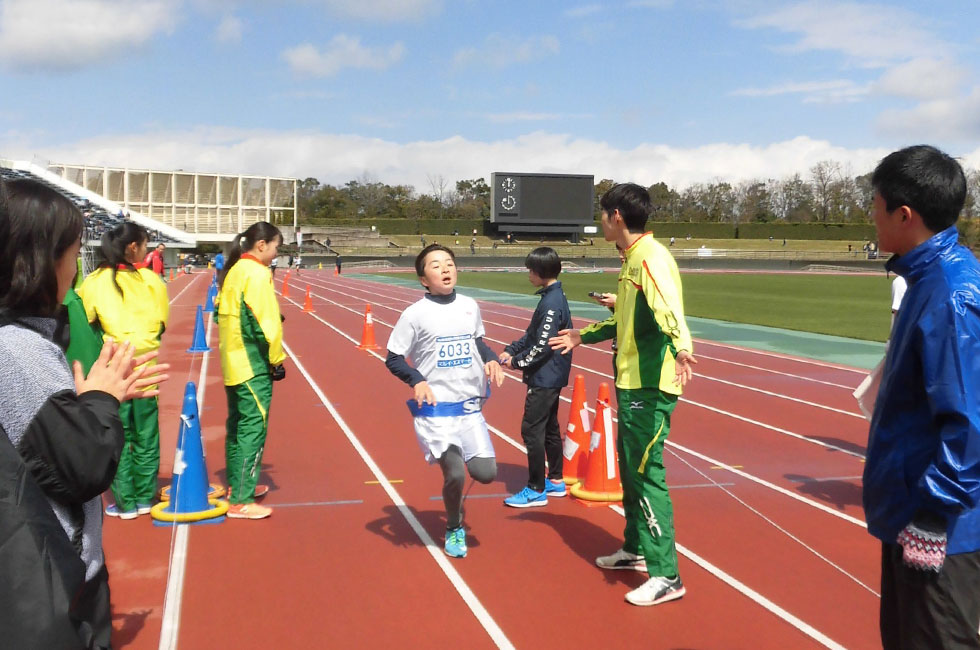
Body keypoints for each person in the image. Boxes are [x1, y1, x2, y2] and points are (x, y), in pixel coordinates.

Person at [0, 178, 168, 648]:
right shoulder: (16, 348)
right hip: (47, 585)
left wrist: (83, 403)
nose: (75, 270)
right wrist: (100, 400)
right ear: (37, 260)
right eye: (73, 255)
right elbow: (82, 465)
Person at [549, 183, 697, 607]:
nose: (599, 221)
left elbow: (670, 309)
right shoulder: (631, 259)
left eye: (602, 213)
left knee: (648, 473)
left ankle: (666, 575)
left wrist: (683, 347)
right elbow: (632, 319)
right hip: (631, 382)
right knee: (632, 471)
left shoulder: (649, 258)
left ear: (616, 216)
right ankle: (635, 547)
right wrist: (584, 335)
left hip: (650, 386)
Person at [862, 145, 980, 649]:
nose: (871, 216)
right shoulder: (926, 279)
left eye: (876, 205)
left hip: (939, 529)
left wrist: (933, 515)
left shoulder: (951, 294)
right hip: (913, 512)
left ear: (904, 214)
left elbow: (970, 420)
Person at [385, 244, 504, 558]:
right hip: (436, 411)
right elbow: (393, 358)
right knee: (455, 473)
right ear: (424, 279)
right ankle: (454, 526)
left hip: (469, 409)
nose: (445, 269)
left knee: (486, 473)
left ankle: (456, 502)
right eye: (436, 266)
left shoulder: (469, 305)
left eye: (449, 263)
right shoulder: (414, 314)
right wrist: (417, 380)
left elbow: (477, 342)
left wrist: (490, 359)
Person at [78, 222, 169, 519]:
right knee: (147, 436)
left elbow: (85, 323)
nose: (146, 250)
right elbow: (161, 324)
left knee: (119, 436)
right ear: (133, 248)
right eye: (144, 245)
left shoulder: (94, 281)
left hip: (113, 373)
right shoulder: (151, 281)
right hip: (146, 371)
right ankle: (144, 497)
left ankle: (125, 502)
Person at [217, 222, 286, 520]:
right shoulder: (257, 274)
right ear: (261, 246)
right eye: (275, 247)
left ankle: (237, 485)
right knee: (252, 429)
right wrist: (276, 359)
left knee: (237, 426)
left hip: (232, 359)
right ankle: (242, 499)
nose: (276, 253)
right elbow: (265, 322)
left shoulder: (234, 271)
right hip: (251, 363)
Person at [498, 247, 572, 507]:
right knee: (550, 427)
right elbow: (532, 335)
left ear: (540, 272)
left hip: (546, 376)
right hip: (549, 375)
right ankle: (555, 480)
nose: (528, 274)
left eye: (531, 269)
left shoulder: (551, 303)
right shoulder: (550, 297)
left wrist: (516, 362)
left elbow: (543, 346)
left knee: (531, 430)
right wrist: (511, 349)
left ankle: (536, 488)